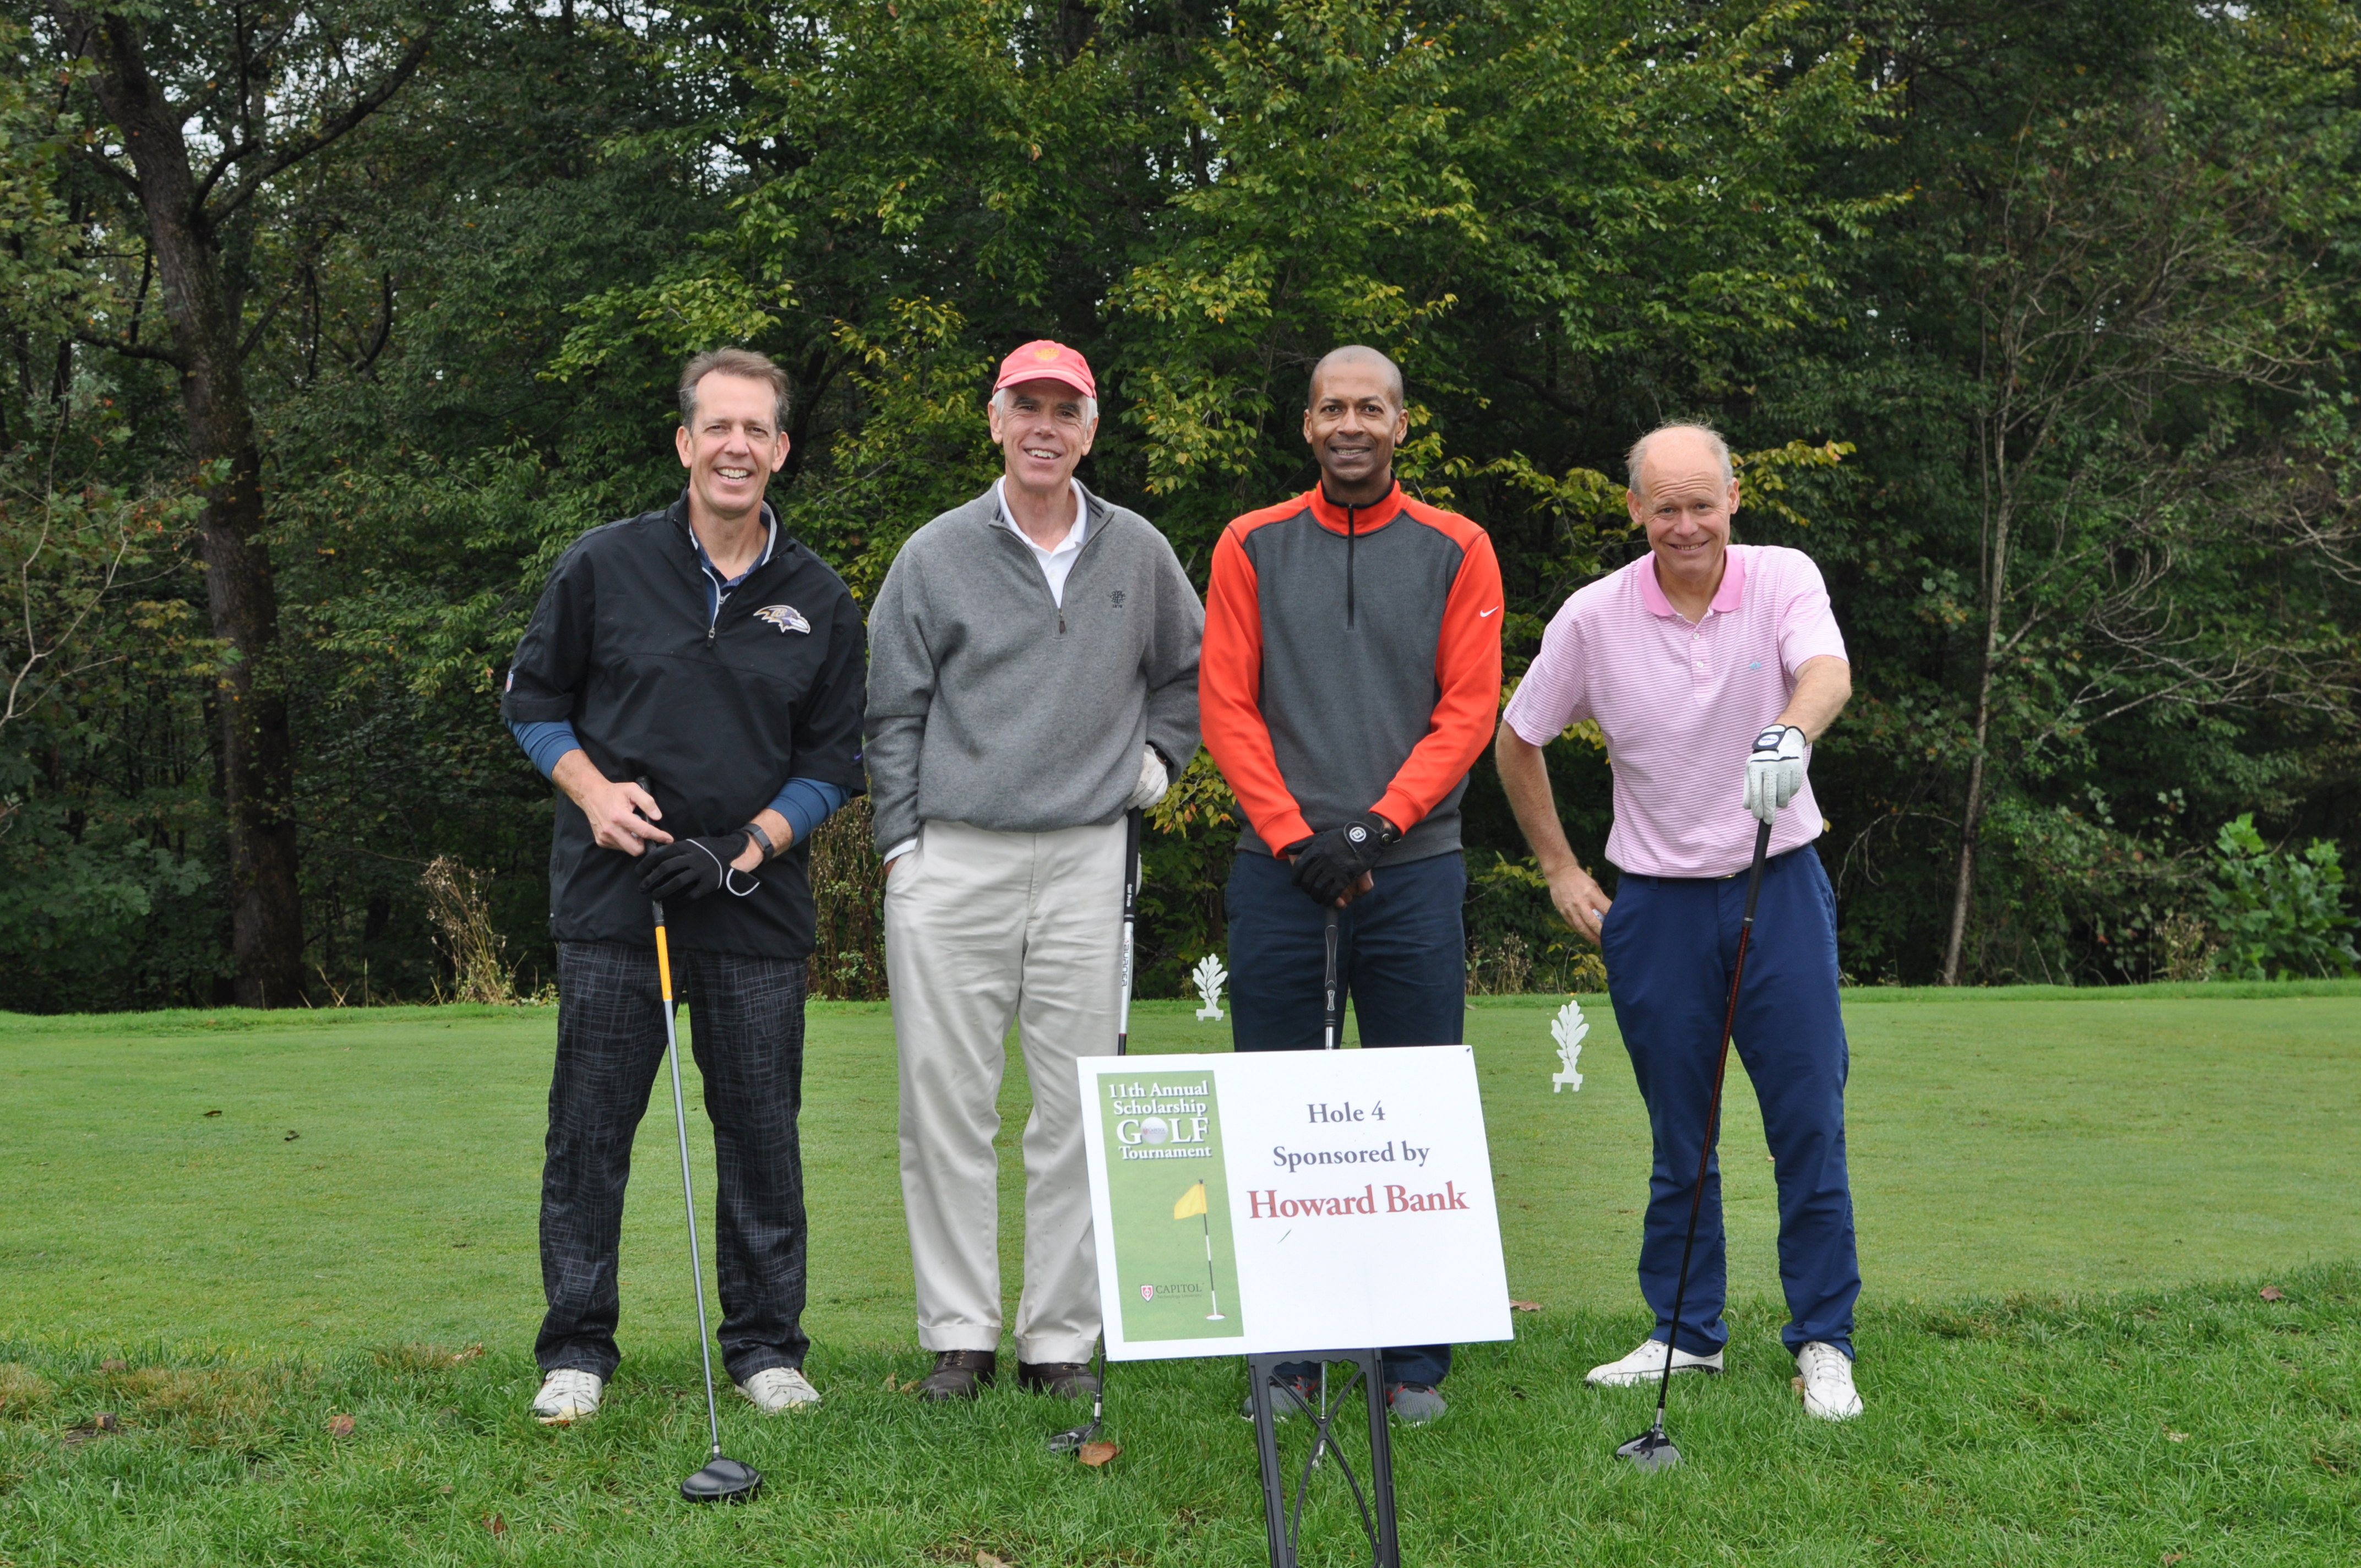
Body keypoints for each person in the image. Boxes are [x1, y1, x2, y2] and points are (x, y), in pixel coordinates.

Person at [499, 347, 868, 1424]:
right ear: (685, 442)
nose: (736, 447)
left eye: (757, 430)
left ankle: (764, 1348)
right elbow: (532, 701)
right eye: (718, 427)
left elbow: (833, 765)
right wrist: (593, 792)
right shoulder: (603, 565)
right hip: (616, 901)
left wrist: (745, 845)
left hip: (752, 903)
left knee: (759, 1131)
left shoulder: (818, 598)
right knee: (589, 1131)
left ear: (781, 450)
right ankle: (574, 1349)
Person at [1494, 421, 1863, 1420]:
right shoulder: (1594, 616)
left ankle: (1824, 1340)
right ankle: (1686, 1331)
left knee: (1806, 1124)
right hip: (1651, 904)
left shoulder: (1783, 576)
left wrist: (1791, 726)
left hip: (1775, 884)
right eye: (1667, 507)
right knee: (1679, 1137)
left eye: (1704, 503)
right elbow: (1518, 738)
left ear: (1734, 500)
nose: (1687, 523)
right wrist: (1564, 871)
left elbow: (1824, 671)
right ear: (1636, 511)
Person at [865, 340, 1204, 1403]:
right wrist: (902, 842)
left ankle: (1059, 1338)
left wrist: (1160, 758)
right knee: (945, 1105)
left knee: (1076, 1106)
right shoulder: (936, 552)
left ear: (1091, 429)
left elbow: (1191, 672)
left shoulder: (1138, 551)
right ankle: (958, 1335)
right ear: (997, 420)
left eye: (1067, 410)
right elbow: (890, 707)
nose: (1046, 427)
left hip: (1088, 859)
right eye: (1028, 408)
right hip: (952, 855)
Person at [1198, 345, 1503, 1427]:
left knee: (1411, 1109)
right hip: (1277, 871)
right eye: (1332, 407)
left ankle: (1412, 1354)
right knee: (1275, 1110)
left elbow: (1466, 710)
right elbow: (1225, 705)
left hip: (1410, 868)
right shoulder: (1248, 542)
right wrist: (1292, 836)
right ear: (1305, 425)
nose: (1350, 424)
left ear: (1401, 425)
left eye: (1369, 407)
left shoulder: (1457, 546)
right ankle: (1287, 1357)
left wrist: (1375, 825)